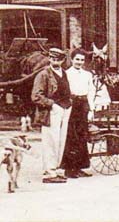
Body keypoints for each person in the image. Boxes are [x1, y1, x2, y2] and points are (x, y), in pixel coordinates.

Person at [31, 47, 71, 183]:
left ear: (63, 60)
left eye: (58, 59)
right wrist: (52, 105)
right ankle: (49, 173)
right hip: (51, 112)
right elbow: (36, 96)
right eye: (53, 58)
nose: (55, 61)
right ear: (49, 59)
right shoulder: (43, 74)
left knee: (61, 141)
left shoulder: (64, 73)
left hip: (64, 110)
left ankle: (56, 169)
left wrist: (68, 103)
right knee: (50, 141)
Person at [61, 48, 95, 178]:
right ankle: (69, 169)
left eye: (82, 60)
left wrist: (91, 109)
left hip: (83, 104)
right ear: (72, 60)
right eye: (77, 59)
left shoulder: (88, 74)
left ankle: (80, 166)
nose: (79, 62)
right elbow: (64, 91)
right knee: (71, 136)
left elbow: (91, 91)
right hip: (72, 104)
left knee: (82, 135)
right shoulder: (66, 74)